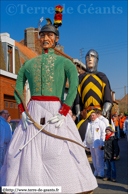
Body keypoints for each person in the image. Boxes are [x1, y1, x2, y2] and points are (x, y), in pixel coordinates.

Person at [1, 6, 97, 193]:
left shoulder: (66, 63)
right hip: (33, 109)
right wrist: (22, 110)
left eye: (50, 35)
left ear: (56, 39)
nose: (45, 39)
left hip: (55, 109)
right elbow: (18, 86)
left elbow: (74, 87)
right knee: (16, 153)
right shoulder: (28, 63)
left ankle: (69, 186)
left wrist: (63, 112)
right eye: (42, 35)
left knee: (61, 151)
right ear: (38, 38)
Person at [72, 49, 113, 141]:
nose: (90, 58)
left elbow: (108, 99)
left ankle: (108, 151)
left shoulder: (102, 77)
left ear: (96, 59)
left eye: (92, 56)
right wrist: (78, 114)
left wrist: (104, 113)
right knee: (80, 130)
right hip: (86, 114)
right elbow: (77, 99)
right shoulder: (81, 78)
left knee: (107, 131)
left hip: (99, 112)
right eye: (87, 57)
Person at [84, 111, 106, 178]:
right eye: (91, 116)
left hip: (98, 144)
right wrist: (85, 143)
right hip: (90, 143)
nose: (92, 117)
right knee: (93, 158)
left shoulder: (100, 123)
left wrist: (102, 143)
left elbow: (103, 133)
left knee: (99, 158)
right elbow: (87, 134)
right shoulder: (89, 123)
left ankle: (101, 172)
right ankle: (96, 171)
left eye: (93, 115)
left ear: (96, 115)